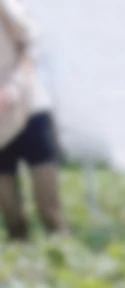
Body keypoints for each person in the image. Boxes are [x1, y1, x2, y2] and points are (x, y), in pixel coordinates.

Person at [0, 0, 65, 240]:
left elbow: (30, 43)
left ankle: (63, 255)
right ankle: (22, 259)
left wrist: (14, 87)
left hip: (30, 109)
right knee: (12, 217)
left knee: (50, 210)